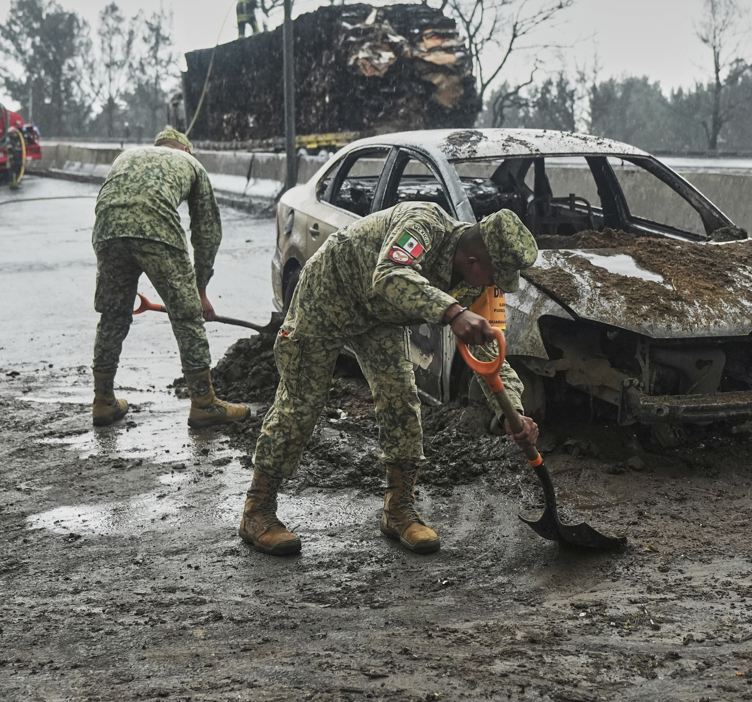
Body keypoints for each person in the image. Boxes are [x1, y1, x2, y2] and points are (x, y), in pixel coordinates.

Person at [239, 202, 540, 556]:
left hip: (380, 319)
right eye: (494, 275)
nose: (494, 284)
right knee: (302, 401)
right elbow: (390, 275)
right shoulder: (424, 224)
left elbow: (491, 351)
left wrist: (512, 412)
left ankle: (399, 510)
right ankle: (257, 510)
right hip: (329, 295)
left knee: (401, 400)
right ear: (475, 262)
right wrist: (452, 312)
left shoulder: (476, 284)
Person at [90, 127, 249, 429]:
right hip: (156, 231)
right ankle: (204, 403)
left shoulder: (128, 156)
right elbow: (207, 232)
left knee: (112, 315)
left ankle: (102, 401)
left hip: (106, 232)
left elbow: (111, 199)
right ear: (186, 150)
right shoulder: (192, 165)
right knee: (187, 317)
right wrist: (200, 291)